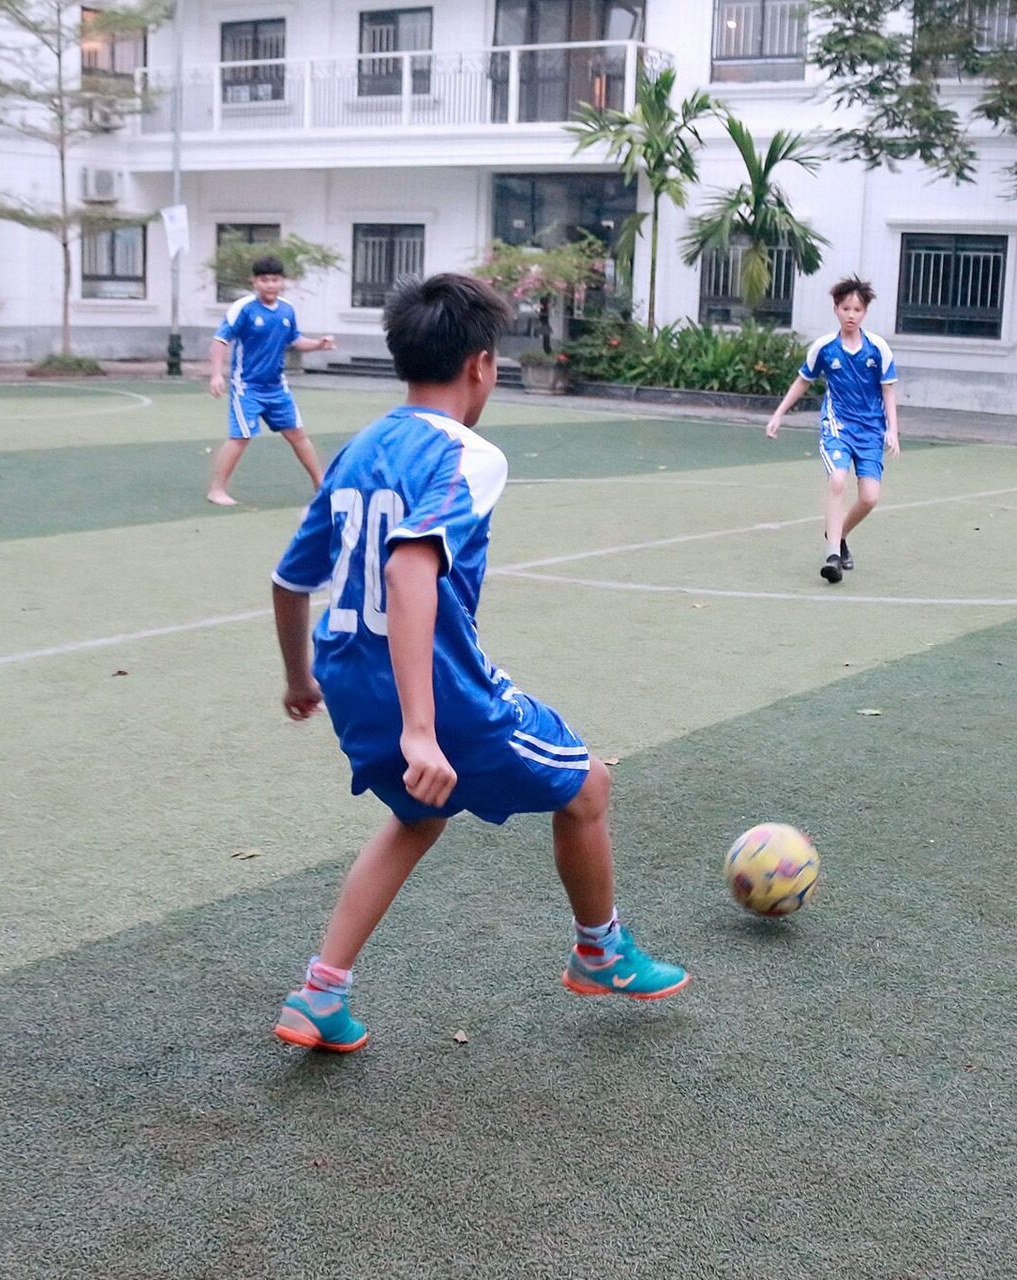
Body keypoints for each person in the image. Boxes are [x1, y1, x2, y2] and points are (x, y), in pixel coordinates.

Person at [269, 273, 690, 1053]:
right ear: (482, 365)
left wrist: (299, 679)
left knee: (417, 815)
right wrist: (421, 728)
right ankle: (600, 952)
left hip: (348, 679)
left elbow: (291, 579)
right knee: (588, 787)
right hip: (436, 690)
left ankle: (321, 992)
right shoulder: (469, 454)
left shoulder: (359, 449)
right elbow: (409, 568)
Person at [764, 277, 900, 584]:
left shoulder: (878, 348)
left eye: (857, 309)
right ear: (836, 309)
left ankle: (838, 534)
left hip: (871, 431)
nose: (851, 315)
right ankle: (833, 557)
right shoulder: (824, 348)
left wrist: (893, 429)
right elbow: (803, 380)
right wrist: (778, 414)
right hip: (837, 427)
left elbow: (888, 390)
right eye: (845, 308)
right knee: (837, 480)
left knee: (869, 498)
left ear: (865, 312)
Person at [206, 255, 337, 506]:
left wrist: (319, 344)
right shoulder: (244, 308)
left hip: (277, 388)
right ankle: (217, 490)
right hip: (247, 387)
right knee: (240, 437)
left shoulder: (287, 309)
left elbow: (295, 340)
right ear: (254, 281)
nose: (270, 285)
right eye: (264, 280)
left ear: (283, 282)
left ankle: (321, 485)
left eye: (275, 280)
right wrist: (216, 374)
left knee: (298, 434)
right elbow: (220, 340)